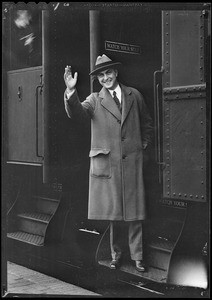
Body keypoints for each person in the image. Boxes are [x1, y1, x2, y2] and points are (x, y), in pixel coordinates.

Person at [63, 54, 153, 272]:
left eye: (108, 73)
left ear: (116, 72)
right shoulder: (94, 99)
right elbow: (77, 113)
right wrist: (70, 92)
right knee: (114, 213)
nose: (105, 78)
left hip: (132, 162)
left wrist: (142, 146)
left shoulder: (134, 95)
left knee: (135, 213)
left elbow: (147, 124)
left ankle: (138, 257)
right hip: (110, 165)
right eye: (101, 75)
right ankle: (116, 255)